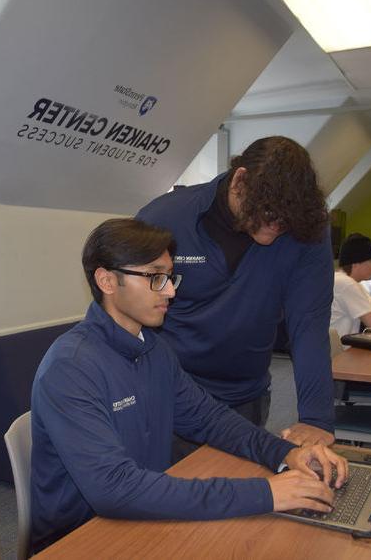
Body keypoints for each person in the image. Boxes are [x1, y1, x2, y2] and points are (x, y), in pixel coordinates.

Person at [30, 218, 348, 552]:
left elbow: (210, 419)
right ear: (107, 280)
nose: (170, 290)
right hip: (81, 542)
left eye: (169, 277)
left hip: (142, 519)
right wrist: (266, 493)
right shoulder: (71, 367)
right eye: (155, 277)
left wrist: (287, 455)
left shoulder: (152, 348)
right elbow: (115, 490)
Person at [136, 136, 335, 448]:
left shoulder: (307, 228)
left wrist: (316, 419)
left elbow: (309, 324)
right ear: (240, 180)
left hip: (245, 397)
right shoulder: (165, 218)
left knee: (240, 489)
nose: (275, 229)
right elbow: (127, 310)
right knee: (168, 490)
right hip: (170, 395)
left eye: (285, 223)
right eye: (269, 215)